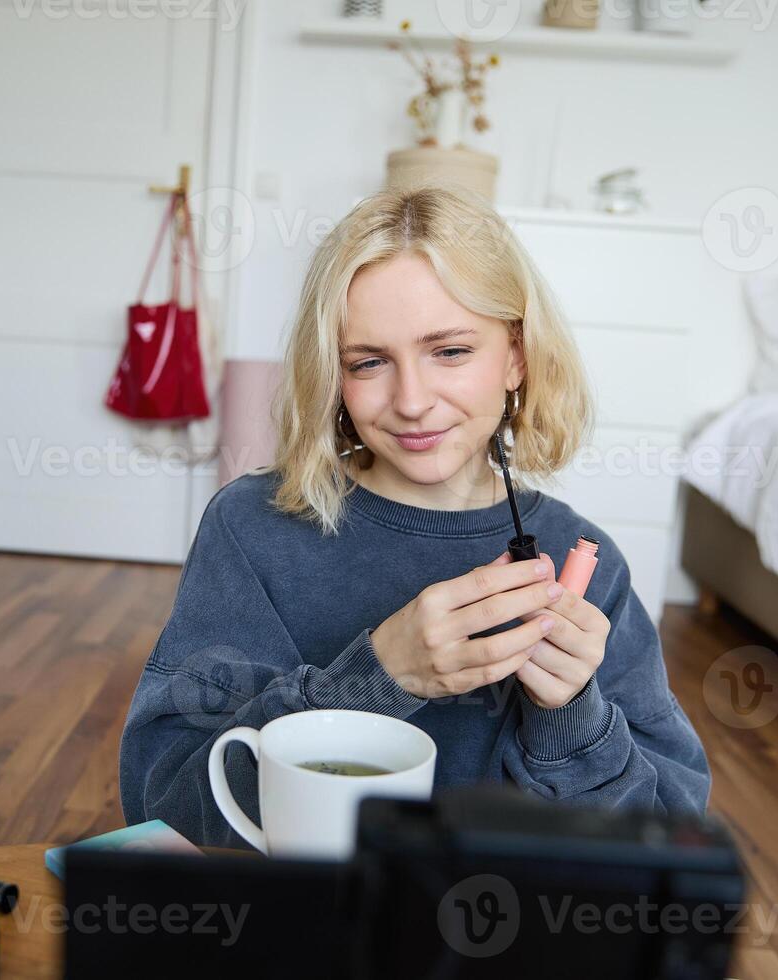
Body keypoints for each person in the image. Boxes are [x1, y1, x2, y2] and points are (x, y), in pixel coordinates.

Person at [119, 185, 710, 849]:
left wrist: (571, 717)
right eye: (368, 362)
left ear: (515, 356)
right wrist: (374, 679)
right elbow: (165, 803)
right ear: (332, 376)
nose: (412, 400)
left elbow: (668, 841)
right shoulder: (253, 530)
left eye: (450, 351)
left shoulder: (588, 564)